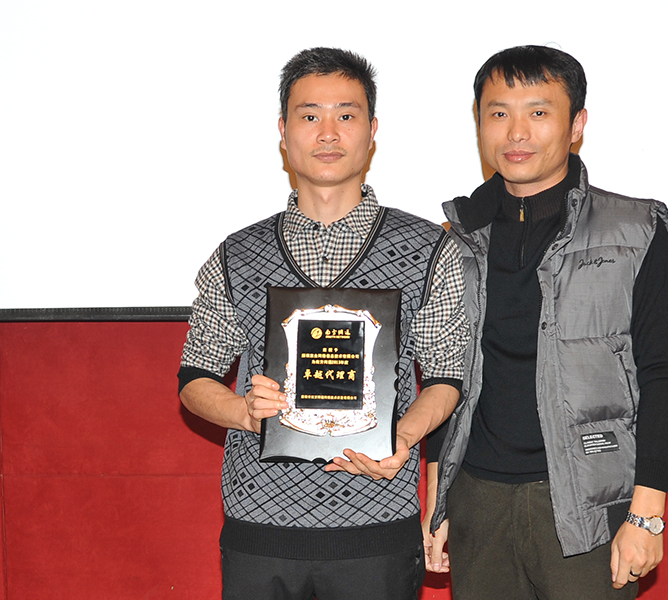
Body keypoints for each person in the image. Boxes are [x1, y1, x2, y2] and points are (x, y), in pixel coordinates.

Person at [178, 47, 469, 600]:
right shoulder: (237, 254)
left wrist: (404, 436)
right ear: (283, 132)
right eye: (310, 115)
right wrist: (243, 412)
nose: (328, 133)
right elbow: (194, 379)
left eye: (346, 115)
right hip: (260, 526)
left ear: (372, 131)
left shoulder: (429, 250)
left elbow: (446, 377)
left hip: (377, 526)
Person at [422, 45, 668, 599]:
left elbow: (663, 376)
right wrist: (438, 497)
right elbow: (444, 374)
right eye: (498, 113)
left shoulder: (635, 229)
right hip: (478, 497)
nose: (516, 132)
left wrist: (646, 514)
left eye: (538, 112)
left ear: (577, 125)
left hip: (590, 502)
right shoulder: (454, 239)